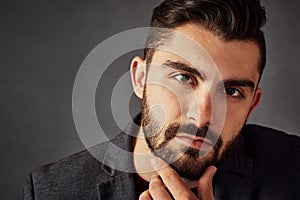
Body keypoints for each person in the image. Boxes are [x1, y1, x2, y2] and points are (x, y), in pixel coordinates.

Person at [22, 0, 300, 199]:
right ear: (140, 79)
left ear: (252, 104)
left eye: (231, 92)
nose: (203, 116)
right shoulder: (52, 189)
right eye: (183, 78)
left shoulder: (293, 169)